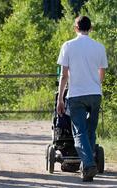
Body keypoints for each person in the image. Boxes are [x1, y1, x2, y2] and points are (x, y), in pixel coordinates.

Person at [56, 16, 108, 182]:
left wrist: (60, 99)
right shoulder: (99, 47)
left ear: (75, 28)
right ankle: (88, 167)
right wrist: (94, 85)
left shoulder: (68, 46)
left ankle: (88, 164)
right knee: (90, 131)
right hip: (95, 94)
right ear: (90, 28)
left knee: (79, 132)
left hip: (76, 94)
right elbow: (102, 74)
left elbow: (64, 75)